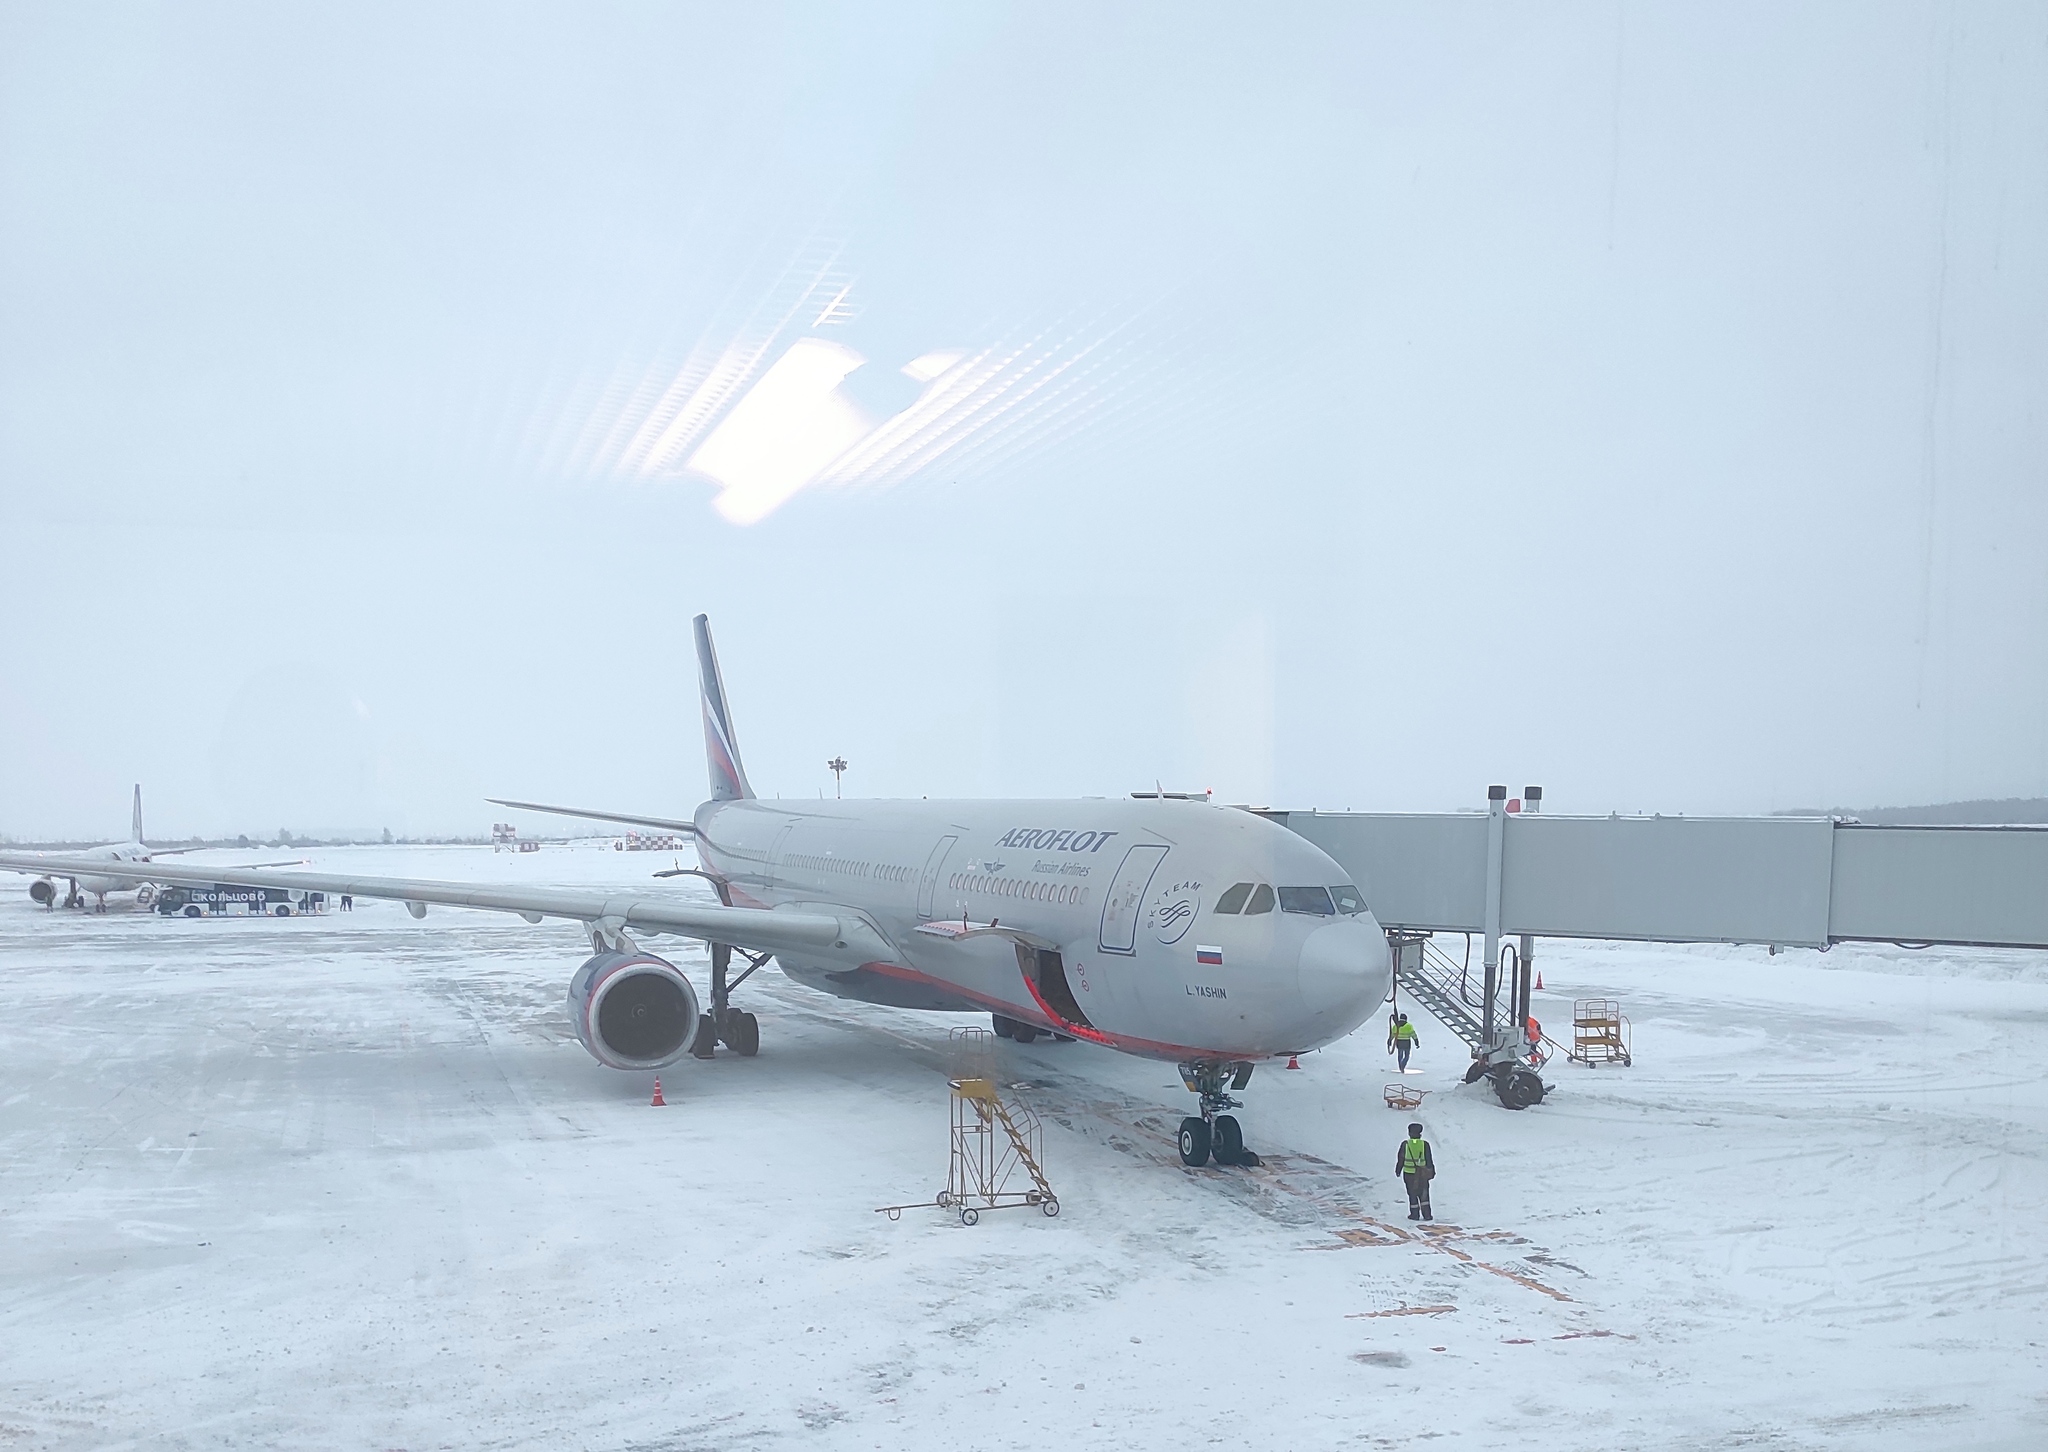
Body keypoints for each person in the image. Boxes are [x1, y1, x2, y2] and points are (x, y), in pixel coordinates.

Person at [1395, 1121, 1434, 1221]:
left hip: (1409, 1174)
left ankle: (1414, 1215)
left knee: (1412, 1193)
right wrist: (1431, 1171)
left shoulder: (1405, 1144)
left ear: (1409, 1133)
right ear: (1420, 1133)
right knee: (1424, 1193)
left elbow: (1401, 1158)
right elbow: (1429, 1159)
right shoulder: (1425, 1144)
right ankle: (1427, 1215)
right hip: (1422, 1174)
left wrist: (1398, 1170)